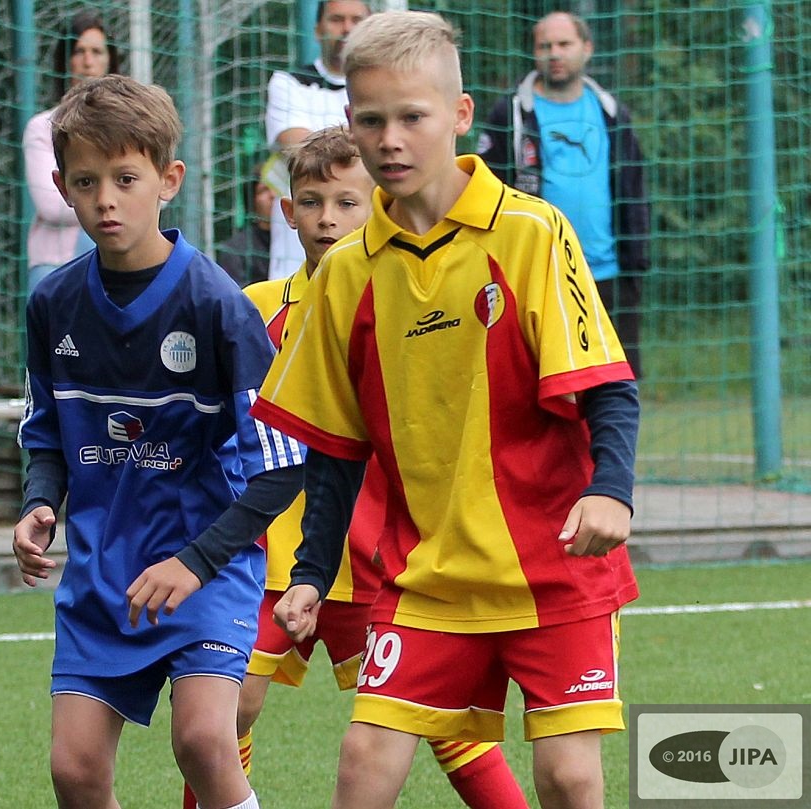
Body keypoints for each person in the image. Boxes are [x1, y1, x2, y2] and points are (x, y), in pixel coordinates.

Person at [250, 12, 640, 809]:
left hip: (553, 569)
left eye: (411, 117)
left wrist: (612, 489)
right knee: (364, 762)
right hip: (426, 579)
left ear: (460, 115)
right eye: (370, 120)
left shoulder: (531, 232)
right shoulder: (347, 272)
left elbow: (607, 384)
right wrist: (314, 572)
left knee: (568, 776)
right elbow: (336, 447)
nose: (389, 139)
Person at [12, 74, 304, 809]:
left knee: (203, 741)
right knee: (75, 772)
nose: (106, 199)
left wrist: (196, 561)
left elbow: (282, 465)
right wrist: (40, 501)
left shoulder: (217, 306)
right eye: (86, 182)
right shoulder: (52, 304)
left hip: (206, 567)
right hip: (103, 573)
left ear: (168, 180)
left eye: (126, 178)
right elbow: (46, 432)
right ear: (62, 187)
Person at [227, 126, 530, 809]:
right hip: (273, 557)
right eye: (311, 202)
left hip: (380, 554)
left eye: (347, 202)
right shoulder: (253, 308)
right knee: (226, 707)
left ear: (379, 207)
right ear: (287, 211)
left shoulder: (408, 302)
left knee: (445, 722)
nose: (327, 218)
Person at [476, 10, 651, 377]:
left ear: (587, 48)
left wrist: (637, 259)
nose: (554, 53)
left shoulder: (612, 113)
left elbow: (634, 188)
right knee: (546, 383)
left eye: (564, 44)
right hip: (538, 275)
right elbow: (487, 189)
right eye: (545, 46)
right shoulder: (511, 114)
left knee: (616, 386)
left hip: (608, 274)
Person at [262, 0, 369, 280]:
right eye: (337, 19)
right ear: (318, 29)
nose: (347, 28)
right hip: (294, 260)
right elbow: (301, 150)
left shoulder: (381, 89)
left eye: (356, 20)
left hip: (363, 260)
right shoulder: (289, 83)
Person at [23, 9, 120, 294]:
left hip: (119, 261)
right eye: (79, 51)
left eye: (96, 51)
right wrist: (122, 202)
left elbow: (154, 195)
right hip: (55, 265)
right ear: (65, 60)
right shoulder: (42, 127)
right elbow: (50, 205)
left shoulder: (130, 128)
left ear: (110, 60)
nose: (88, 61)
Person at [215, 168, 274, 287]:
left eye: (277, 188)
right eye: (264, 190)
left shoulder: (300, 243)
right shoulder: (235, 249)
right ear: (252, 201)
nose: (273, 195)